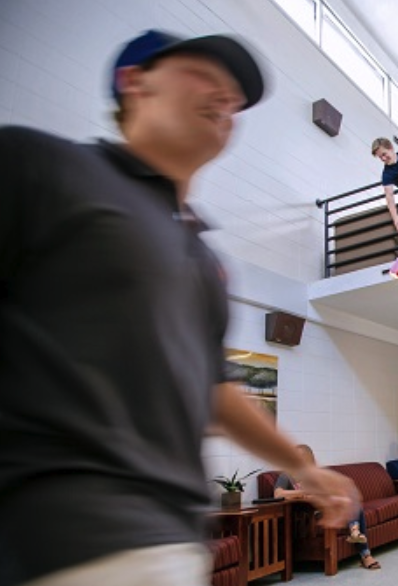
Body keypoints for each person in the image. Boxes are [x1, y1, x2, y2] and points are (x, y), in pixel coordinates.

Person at [0, 30, 360, 586]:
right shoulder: (40, 166)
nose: (225, 97)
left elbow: (214, 392)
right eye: (201, 74)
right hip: (52, 539)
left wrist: (300, 465)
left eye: (235, 98)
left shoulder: (204, 259)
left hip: (168, 541)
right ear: (133, 83)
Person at [274, 445, 380, 570]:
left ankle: (357, 535)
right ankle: (363, 550)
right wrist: (303, 493)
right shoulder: (286, 476)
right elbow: (278, 494)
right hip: (308, 514)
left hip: (324, 507)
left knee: (353, 504)